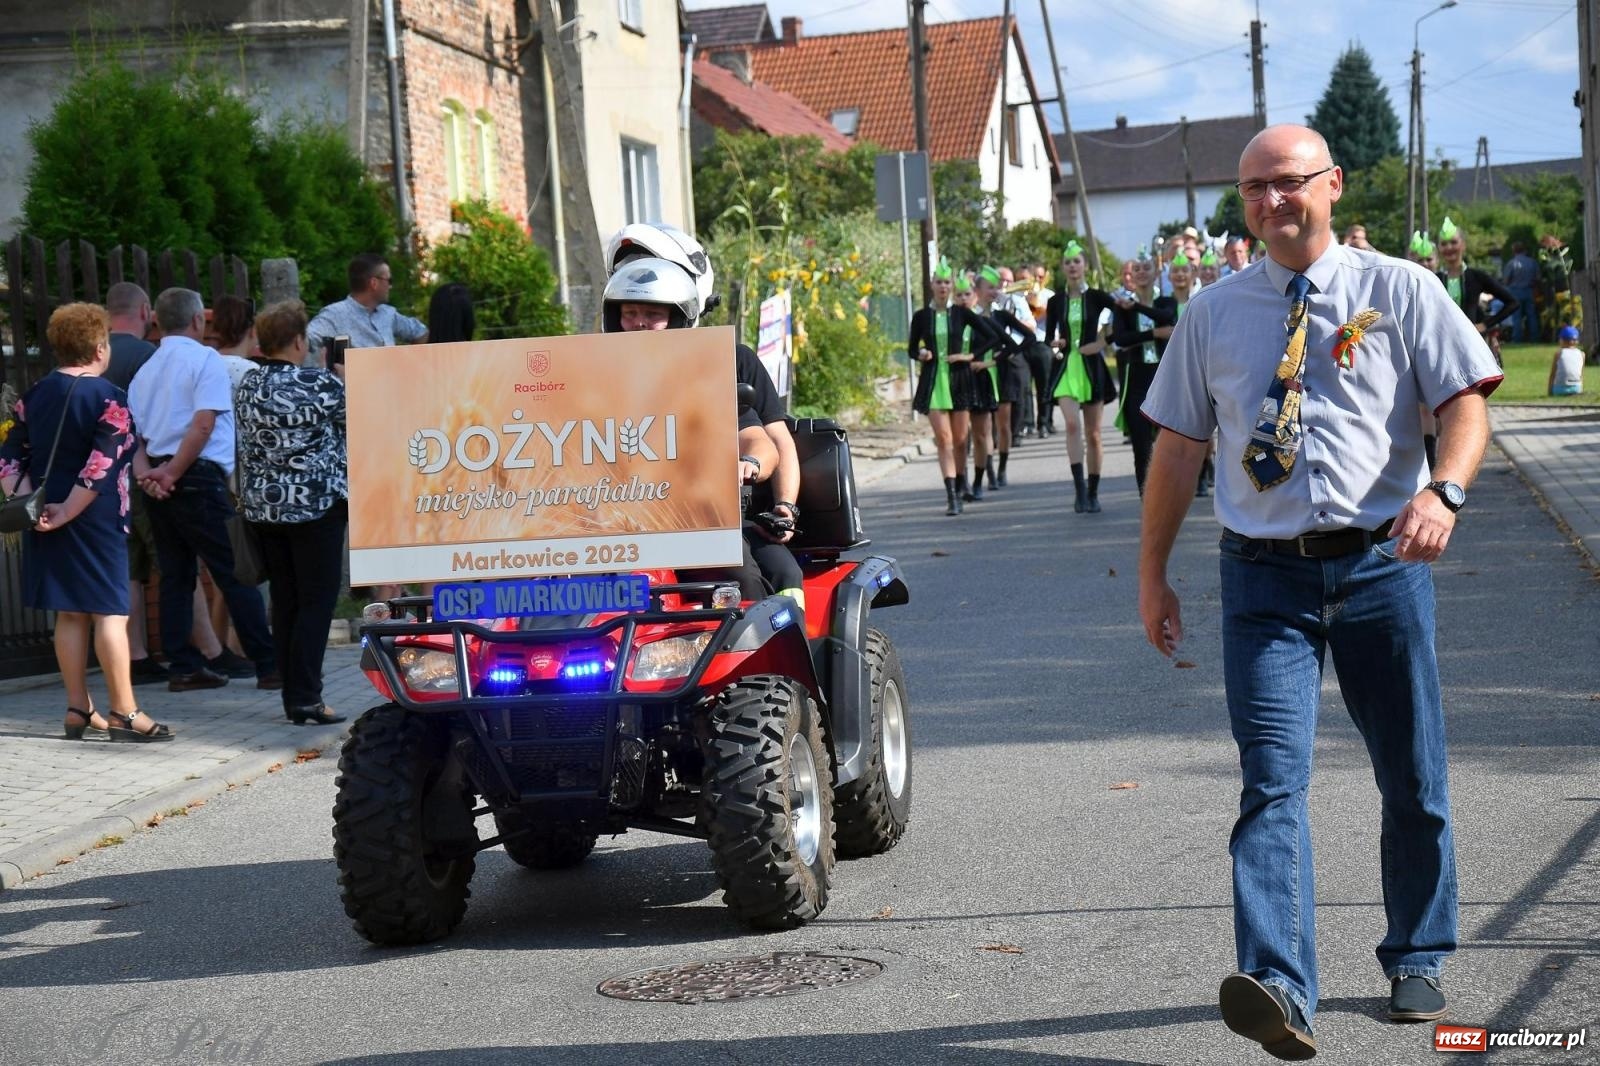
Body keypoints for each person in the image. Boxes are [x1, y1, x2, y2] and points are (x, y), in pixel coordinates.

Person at [1138, 124, 1502, 1060]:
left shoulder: (1400, 289)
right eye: (1253, 189)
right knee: (1271, 785)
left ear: (1332, 186)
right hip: (1262, 577)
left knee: (1411, 774)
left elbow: (1466, 397)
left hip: (1383, 565)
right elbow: (1178, 448)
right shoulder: (1213, 314)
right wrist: (1153, 575)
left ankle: (1417, 951)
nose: (1270, 203)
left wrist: (1445, 489)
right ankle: (1280, 986)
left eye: (1289, 184)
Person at [0, 303, 173, 741]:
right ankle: (126, 713)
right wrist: (67, 513)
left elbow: (7, 459)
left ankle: (78, 708)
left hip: (44, 515)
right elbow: (102, 464)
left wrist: (33, 507)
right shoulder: (109, 397)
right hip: (94, 521)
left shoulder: (34, 395)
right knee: (111, 614)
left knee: (70, 616)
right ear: (99, 347)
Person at [600, 256, 790, 601]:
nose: (639, 324)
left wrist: (750, 463)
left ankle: (763, 652)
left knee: (745, 580)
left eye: (653, 315)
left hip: (697, 523)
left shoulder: (705, 376)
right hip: (606, 529)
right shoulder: (589, 377)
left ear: (678, 318)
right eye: (629, 313)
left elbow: (758, 439)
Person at [127, 288, 280, 692]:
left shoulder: (145, 370)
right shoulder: (204, 360)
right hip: (196, 474)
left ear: (156, 320)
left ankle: (183, 666)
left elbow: (135, 439)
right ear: (198, 321)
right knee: (235, 572)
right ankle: (268, 663)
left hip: (158, 478)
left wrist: (150, 476)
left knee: (176, 575)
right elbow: (203, 424)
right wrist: (175, 472)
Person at [235, 301, 348, 726]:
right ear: (300, 340)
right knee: (317, 602)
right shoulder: (320, 384)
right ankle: (307, 696)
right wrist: (341, 379)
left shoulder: (248, 384)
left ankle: (292, 693)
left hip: (265, 508)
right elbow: (354, 419)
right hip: (317, 506)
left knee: (285, 600)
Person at [911, 259, 998, 515]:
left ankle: (961, 483)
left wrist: (970, 356)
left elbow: (991, 336)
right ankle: (952, 496)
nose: (943, 286)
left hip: (959, 381)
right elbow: (911, 348)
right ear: (931, 285)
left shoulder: (961, 313)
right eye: (938, 282)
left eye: (947, 282)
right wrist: (922, 354)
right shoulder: (921, 316)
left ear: (951, 286)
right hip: (933, 381)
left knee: (961, 441)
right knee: (944, 440)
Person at [1044, 240, 1116, 513]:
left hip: (1091, 368)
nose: (1072, 266)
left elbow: (1120, 316)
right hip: (1066, 369)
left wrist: (1101, 343)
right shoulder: (1055, 301)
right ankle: (1079, 491)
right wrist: (1056, 343)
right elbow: (1049, 337)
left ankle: (1094, 491)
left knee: (1094, 434)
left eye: (1077, 261)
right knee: (1072, 425)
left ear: (1085, 265)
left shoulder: (1097, 296)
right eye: (1068, 262)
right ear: (1063, 268)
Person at [1111, 249, 1176, 496]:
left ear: (1156, 271)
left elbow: (1166, 317)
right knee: (1141, 446)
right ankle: (1146, 498)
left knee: (1166, 445)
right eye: (1136, 269)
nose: (1141, 273)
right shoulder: (1122, 308)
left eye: (1146, 268)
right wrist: (1153, 334)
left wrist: (1136, 306)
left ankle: (1168, 495)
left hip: (1163, 380)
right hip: (1136, 380)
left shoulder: (1164, 302)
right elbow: (1120, 339)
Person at [305, 253, 428, 366]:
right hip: (355, 388)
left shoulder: (388, 314)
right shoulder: (334, 315)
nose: (391, 286)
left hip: (392, 387)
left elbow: (421, 333)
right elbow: (303, 341)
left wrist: (411, 364)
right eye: (389, 281)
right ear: (374, 283)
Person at [972, 267, 1033, 486]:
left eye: (996, 287)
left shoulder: (1002, 315)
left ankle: (1002, 468)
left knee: (1003, 425)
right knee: (984, 428)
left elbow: (1028, 338)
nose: (994, 291)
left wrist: (1005, 354)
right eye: (989, 287)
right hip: (980, 374)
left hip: (1004, 372)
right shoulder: (971, 317)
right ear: (977, 290)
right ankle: (987, 470)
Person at [1435, 217, 1517, 366]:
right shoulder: (1434, 279)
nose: (1449, 247)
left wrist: (1486, 325)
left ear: (1463, 245)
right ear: (1439, 248)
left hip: (1471, 345)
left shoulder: (1476, 276)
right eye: (1444, 244)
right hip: (1442, 346)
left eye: (1453, 242)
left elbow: (1512, 303)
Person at [1501, 242, 1539, 343]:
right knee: (1532, 315)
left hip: (1515, 291)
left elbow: (1506, 280)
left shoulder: (1512, 263)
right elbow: (1537, 278)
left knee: (1516, 317)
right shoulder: (1532, 262)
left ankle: (1517, 338)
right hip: (1529, 290)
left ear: (1514, 251)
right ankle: (1534, 338)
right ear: (1524, 250)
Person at [1548, 324, 1584, 396]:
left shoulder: (1559, 353)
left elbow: (1553, 374)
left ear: (1561, 340)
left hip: (1559, 390)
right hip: (1576, 389)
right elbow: (1581, 375)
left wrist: (1549, 391)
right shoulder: (1582, 354)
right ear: (1576, 341)